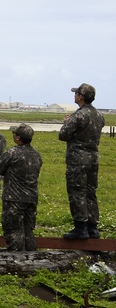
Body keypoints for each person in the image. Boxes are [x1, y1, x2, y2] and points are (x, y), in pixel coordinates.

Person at [58, 83, 105, 239]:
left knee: (77, 192)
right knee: (90, 193)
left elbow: (63, 135)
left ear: (81, 97)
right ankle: (93, 227)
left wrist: (66, 123)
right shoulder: (99, 115)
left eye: (76, 93)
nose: (75, 95)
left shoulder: (79, 115)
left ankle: (80, 227)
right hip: (93, 158)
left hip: (78, 159)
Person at [0, 124, 42, 252]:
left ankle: (17, 261)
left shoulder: (12, 153)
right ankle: (32, 258)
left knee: (13, 231)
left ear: (18, 138)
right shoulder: (37, 155)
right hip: (31, 198)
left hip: (13, 198)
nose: (13, 135)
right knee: (28, 231)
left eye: (14, 134)